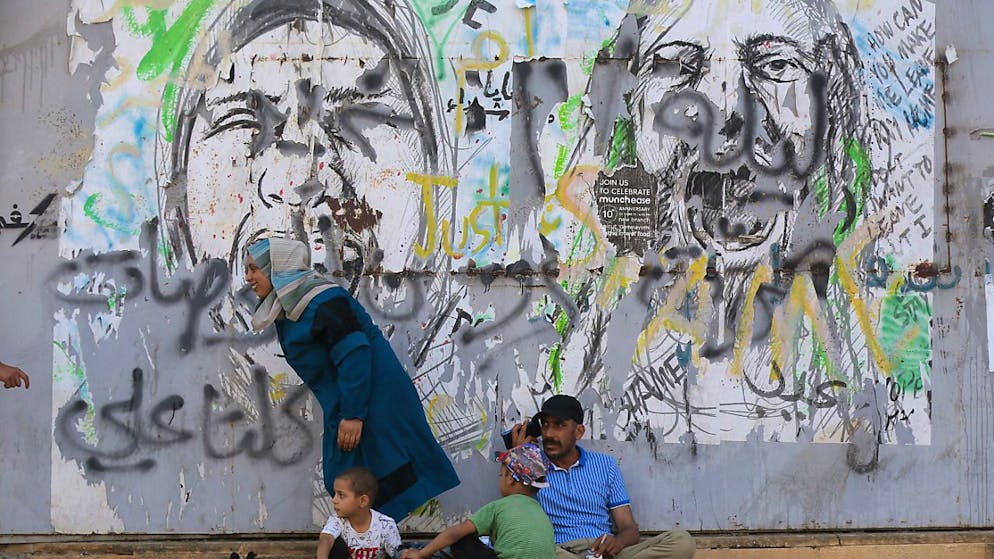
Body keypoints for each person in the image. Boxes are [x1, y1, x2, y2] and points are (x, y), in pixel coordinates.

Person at [245, 237, 459, 520]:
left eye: (253, 269)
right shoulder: (292, 304)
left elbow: (355, 353)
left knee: (363, 480)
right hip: (349, 404)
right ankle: (367, 542)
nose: (247, 278)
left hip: (370, 402)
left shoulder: (321, 301)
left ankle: (372, 542)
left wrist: (354, 415)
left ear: (277, 269)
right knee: (352, 483)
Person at [512, 395, 695, 559]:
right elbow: (515, 517)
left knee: (682, 542)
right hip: (560, 551)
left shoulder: (604, 465)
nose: (549, 434)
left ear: (579, 432)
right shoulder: (532, 465)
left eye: (559, 425)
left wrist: (617, 543)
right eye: (545, 425)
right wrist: (520, 456)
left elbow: (629, 528)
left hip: (603, 553)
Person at [401, 443, 555, 559]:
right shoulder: (541, 513)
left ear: (510, 478)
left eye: (501, 475)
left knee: (462, 541)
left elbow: (455, 532)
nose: (500, 480)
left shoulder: (500, 506)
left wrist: (422, 553)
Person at [318, 467, 402, 559]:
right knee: (337, 545)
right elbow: (326, 539)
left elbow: (397, 554)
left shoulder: (385, 524)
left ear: (363, 501)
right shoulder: (337, 521)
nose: (334, 500)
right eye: (335, 494)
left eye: (341, 495)